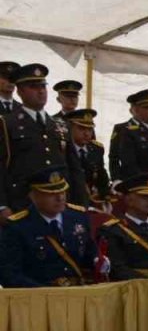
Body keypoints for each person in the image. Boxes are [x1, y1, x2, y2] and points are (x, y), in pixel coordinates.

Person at [0, 63, 87, 221]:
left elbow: (74, 168)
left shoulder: (60, 124)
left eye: (43, 86)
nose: (40, 91)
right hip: (22, 205)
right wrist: (2, 206)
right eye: (33, 87)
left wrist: (81, 204)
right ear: (20, 91)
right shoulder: (7, 123)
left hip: (60, 204)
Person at [0, 166, 99, 287]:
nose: (60, 198)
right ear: (33, 196)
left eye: (62, 191)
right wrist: (46, 293)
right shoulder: (17, 227)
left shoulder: (78, 217)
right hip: (40, 299)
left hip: (77, 295)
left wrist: (98, 261)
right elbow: (9, 275)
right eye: (51, 193)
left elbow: (89, 253)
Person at [65, 109, 110, 208]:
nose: (86, 133)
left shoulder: (96, 149)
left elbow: (102, 177)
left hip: (90, 202)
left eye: (89, 129)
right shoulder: (64, 149)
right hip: (69, 201)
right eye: (81, 128)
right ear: (70, 128)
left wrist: (103, 194)